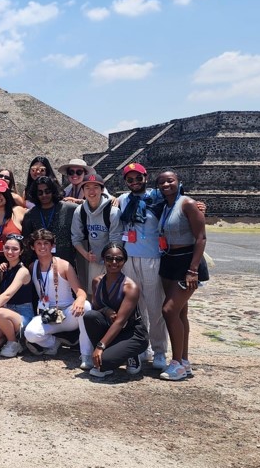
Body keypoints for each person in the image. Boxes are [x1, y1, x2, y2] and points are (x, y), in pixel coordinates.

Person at [156, 169, 208, 381]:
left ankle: (176, 362)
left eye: (170, 181)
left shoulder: (186, 203)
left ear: (178, 181)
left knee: (168, 310)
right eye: (162, 182)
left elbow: (201, 237)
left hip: (187, 262)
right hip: (169, 260)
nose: (166, 185)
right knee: (180, 313)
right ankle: (184, 361)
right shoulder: (164, 205)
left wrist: (193, 270)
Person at [118, 162, 169, 370]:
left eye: (138, 178)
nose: (134, 182)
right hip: (129, 258)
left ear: (145, 177)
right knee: (136, 308)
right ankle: (141, 346)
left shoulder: (157, 197)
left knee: (156, 307)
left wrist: (199, 206)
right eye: (130, 179)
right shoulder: (122, 200)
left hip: (152, 258)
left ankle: (160, 351)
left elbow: (180, 201)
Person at [23, 229, 93, 370]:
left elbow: (80, 291)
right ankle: (54, 343)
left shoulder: (63, 265)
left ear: (52, 245)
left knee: (85, 306)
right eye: (39, 243)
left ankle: (86, 354)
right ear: (33, 246)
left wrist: (80, 298)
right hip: (47, 314)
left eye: (46, 243)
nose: (42, 247)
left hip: (67, 314)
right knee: (30, 333)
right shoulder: (32, 266)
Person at [83, 242, 149, 379]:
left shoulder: (130, 287)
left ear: (124, 261)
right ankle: (109, 353)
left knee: (103, 363)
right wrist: (106, 310)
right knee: (90, 316)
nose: (114, 262)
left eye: (118, 259)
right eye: (109, 258)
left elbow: (120, 321)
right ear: (103, 259)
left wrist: (100, 346)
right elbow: (96, 307)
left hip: (132, 333)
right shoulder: (97, 281)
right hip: (111, 329)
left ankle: (131, 354)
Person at [71, 174, 123, 287]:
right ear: (83, 191)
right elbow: (76, 238)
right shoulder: (80, 211)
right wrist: (85, 254)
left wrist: (110, 259)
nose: (91, 191)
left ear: (102, 190)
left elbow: (116, 240)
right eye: (87, 188)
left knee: (114, 294)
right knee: (94, 295)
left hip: (112, 260)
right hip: (93, 260)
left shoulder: (112, 211)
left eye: (95, 187)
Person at [20, 176, 78, 274]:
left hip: (66, 265)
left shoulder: (70, 209)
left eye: (47, 191)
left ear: (53, 191)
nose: (44, 195)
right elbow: (26, 242)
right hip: (41, 265)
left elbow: (89, 209)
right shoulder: (30, 215)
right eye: (40, 192)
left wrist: (109, 198)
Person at [0, 179, 27, 296]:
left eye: (0, 193)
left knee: (16, 294)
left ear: (7, 194)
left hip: (14, 259)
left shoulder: (18, 212)